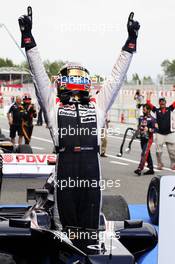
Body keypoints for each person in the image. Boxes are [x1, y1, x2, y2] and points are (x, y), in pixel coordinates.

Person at [18, 7, 140, 233]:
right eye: (70, 76)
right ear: (62, 81)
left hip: (91, 174)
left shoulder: (98, 106)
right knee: (64, 231)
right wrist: (28, 39)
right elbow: (39, 75)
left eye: (78, 76)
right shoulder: (54, 106)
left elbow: (116, 78)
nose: (75, 81)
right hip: (64, 173)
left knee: (91, 229)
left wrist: (130, 43)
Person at [147, 93, 175, 170]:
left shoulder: (170, 109)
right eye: (160, 102)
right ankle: (160, 163)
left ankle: (173, 163)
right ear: (159, 103)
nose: (162, 103)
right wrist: (149, 95)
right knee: (158, 151)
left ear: (165, 102)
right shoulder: (156, 110)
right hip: (160, 134)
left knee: (172, 151)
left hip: (170, 133)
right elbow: (148, 104)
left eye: (163, 101)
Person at [134, 104, 157, 176]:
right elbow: (139, 127)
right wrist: (136, 133)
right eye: (143, 109)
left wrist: (149, 129)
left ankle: (139, 169)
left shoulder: (153, 119)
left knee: (144, 153)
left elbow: (156, 129)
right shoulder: (141, 118)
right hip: (142, 139)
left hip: (148, 139)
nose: (143, 111)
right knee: (147, 154)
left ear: (149, 110)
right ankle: (151, 169)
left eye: (144, 109)